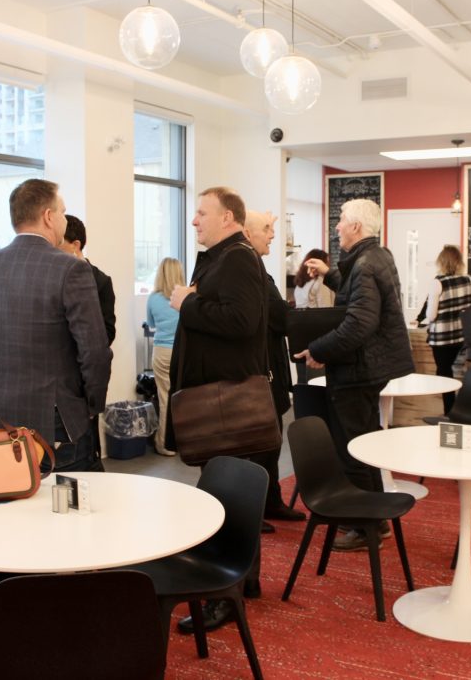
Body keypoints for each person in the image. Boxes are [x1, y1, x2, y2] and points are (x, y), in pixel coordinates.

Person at [0, 178, 112, 473]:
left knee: (0, 495)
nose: (65, 219)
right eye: (62, 211)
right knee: (65, 498)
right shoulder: (71, 269)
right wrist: (92, 405)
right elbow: (94, 351)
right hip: (52, 421)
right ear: (48, 217)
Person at [167, 186, 269, 634]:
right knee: (225, 492)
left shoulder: (238, 258)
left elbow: (242, 322)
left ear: (228, 218)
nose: (194, 220)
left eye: (201, 213)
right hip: (217, 398)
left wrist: (188, 302)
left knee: (226, 496)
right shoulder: (224, 257)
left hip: (225, 402)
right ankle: (241, 582)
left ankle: (225, 592)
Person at [295, 198, 414, 551]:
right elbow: (358, 296)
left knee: (353, 449)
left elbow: (358, 323)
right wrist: (329, 273)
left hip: (359, 369)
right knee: (364, 443)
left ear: (357, 227)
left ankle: (365, 528)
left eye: (342, 220)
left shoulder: (364, 263)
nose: (337, 226)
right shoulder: (377, 256)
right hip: (369, 367)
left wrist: (318, 350)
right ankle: (374, 520)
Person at [244, 210, 305, 523]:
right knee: (261, 445)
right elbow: (280, 317)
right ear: (247, 233)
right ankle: (255, 509)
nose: (272, 235)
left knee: (271, 442)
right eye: (266, 228)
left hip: (270, 371)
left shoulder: (258, 269)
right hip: (260, 376)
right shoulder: (250, 273)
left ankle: (270, 502)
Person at [421, 244, 471, 413]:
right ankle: (462, 409)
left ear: (441, 261)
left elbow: (431, 315)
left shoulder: (437, 283)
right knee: (460, 373)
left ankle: (449, 410)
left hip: (442, 338)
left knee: (444, 373)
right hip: (462, 336)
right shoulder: (468, 280)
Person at [145, 257, 183, 456]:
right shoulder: (186, 297)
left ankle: (164, 444)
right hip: (182, 351)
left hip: (161, 351)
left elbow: (151, 324)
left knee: (164, 398)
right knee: (184, 397)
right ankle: (184, 441)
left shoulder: (153, 298)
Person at [59, 215, 116, 345]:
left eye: (59, 244)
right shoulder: (54, 276)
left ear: (75, 245)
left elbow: (108, 333)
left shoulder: (102, 282)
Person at [293, 248, 335, 384]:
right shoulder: (321, 282)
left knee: (303, 380)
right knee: (317, 381)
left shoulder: (300, 284)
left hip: (300, 335)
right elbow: (326, 312)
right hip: (317, 337)